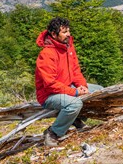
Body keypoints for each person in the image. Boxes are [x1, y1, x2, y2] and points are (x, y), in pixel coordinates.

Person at [35, 17, 103, 147]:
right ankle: (52, 133)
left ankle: (76, 119)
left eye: (68, 31)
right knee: (74, 104)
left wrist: (82, 86)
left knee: (99, 90)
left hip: (66, 87)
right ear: (54, 34)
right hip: (48, 95)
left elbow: (76, 70)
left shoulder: (68, 47)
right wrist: (75, 92)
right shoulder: (47, 54)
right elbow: (50, 84)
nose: (68, 34)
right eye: (64, 32)